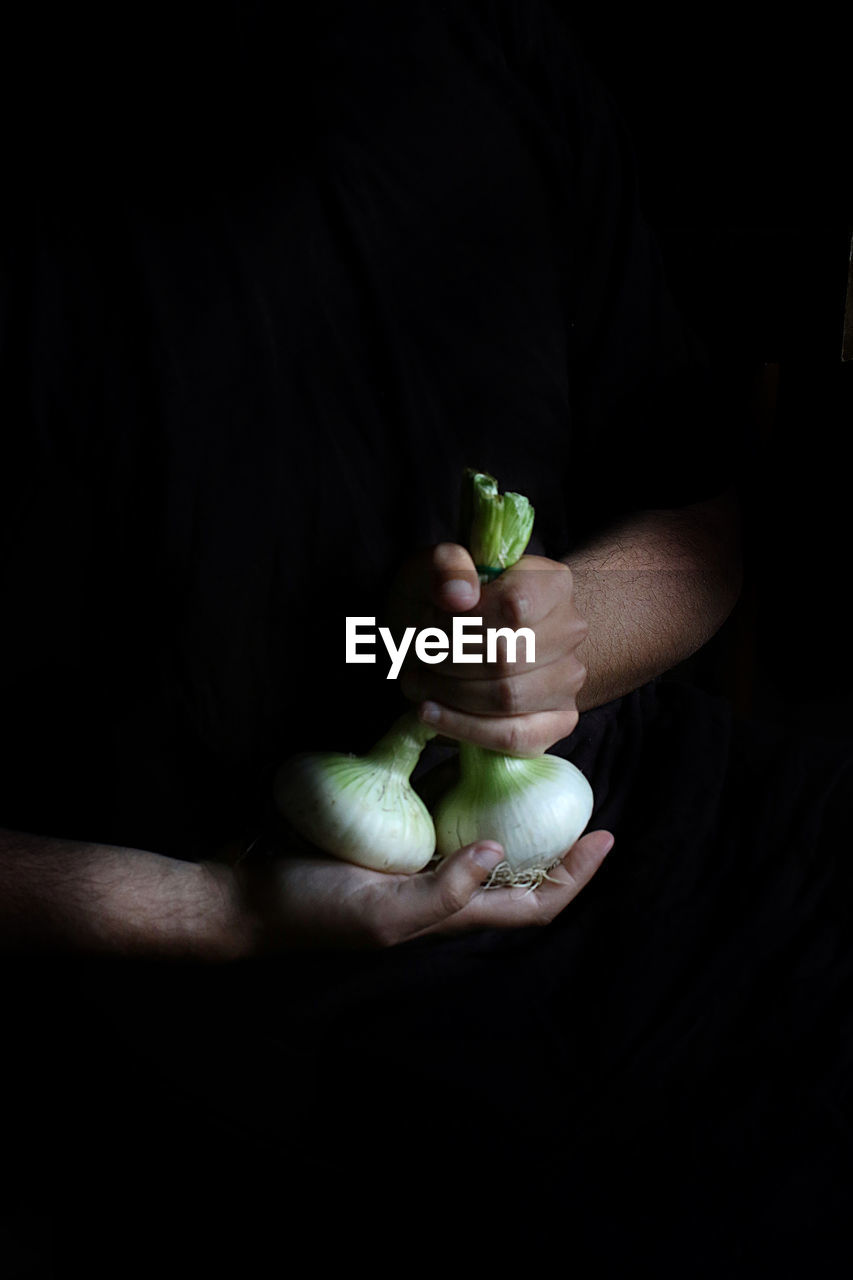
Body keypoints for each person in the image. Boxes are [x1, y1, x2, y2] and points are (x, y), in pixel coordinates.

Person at [2, 2, 850, 1274]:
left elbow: (701, 519)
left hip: (685, 880)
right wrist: (206, 907)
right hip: (259, 1033)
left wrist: (563, 636)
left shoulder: (485, 47)